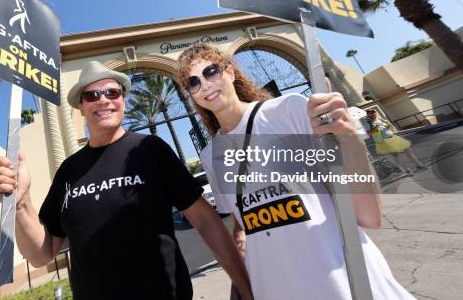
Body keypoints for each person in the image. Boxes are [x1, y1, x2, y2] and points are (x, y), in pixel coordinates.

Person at [0, 61, 254, 300]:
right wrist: (21, 202)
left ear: (123, 102)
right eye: (92, 95)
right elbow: (41, 255)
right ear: (81, 107)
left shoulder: (150, 149)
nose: (103, 100)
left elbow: (206, 221)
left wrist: (245, 287)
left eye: (112, 93)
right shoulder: (68, 171)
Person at [176, 43, 414, 299]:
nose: (206, 84)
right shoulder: (211, 157)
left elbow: (370, 216)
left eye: (211, 71)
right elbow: (243, 221)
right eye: (193, 82)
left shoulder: (288, 112)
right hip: (274, 287)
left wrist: (348, 138)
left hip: (342, 283)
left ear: (231, 72)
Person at [364, 108, 425, 175]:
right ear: (368, 115)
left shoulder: (380, 119)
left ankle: (418, 165)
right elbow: (369, 134)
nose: (373, 113)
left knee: (408, 150)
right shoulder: (368, 123)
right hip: (384, 141)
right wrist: (375, 127)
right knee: (396, 155)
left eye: (373, 111)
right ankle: (406, 170)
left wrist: (388, 124)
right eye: (370, 112)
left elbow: (390, 129)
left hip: (393, 137)